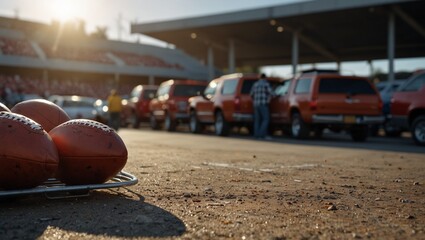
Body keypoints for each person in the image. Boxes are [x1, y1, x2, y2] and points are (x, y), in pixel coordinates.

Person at [250, 73, 273, 140]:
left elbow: (251, 94)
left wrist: (254, 101)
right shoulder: (266, 84)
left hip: (256, 104)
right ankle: (261, 135)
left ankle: (256, 135)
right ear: (265, 78)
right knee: (265, 119)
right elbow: (272, 93)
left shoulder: (255, 84)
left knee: (257, 120)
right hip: (263, 104)